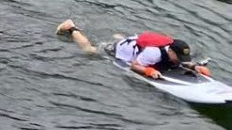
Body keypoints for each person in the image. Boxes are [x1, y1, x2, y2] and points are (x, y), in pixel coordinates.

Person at [56, 20, 208, 78]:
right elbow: (135, 66)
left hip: (136, 44)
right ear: (171, 52)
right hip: (117, 50)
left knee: (132, 46)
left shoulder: (174, 48)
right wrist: (148, 71)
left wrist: (195, 67)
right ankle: (71, 28)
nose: (181, 61)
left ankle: (121, 38)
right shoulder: (154, 53)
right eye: (179, 58)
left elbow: (182, 60)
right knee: (89, 51)